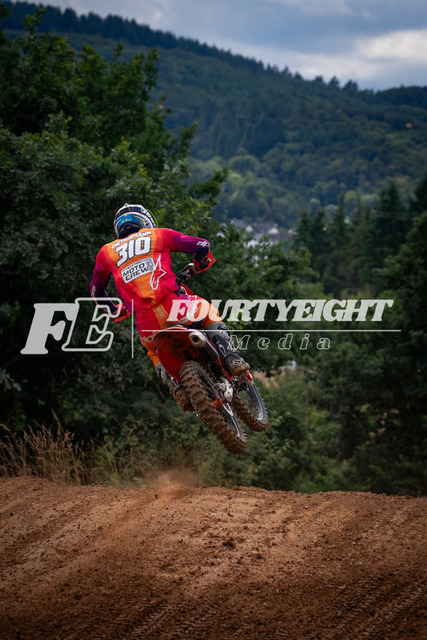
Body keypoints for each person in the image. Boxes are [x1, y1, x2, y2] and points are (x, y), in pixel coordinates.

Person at [90, 203, 249, 409]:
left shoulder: (106, 252)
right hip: (174, 307)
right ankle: (231, 358)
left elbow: (96, 291)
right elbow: (202, 245)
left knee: (153, 352)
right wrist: (199, 263)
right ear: (145, 221)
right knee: (208, 310)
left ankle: (178, 389)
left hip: (147, 324)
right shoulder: (157, 235)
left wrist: (115, 310)